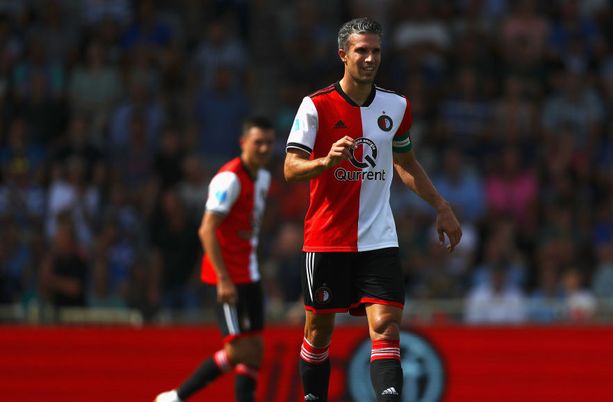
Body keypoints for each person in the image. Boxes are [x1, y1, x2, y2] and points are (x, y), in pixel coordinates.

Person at [283, 17, 462, 402]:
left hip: (379, 238)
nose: (370, 58)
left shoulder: (395, 106)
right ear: (342, 55)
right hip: (327, 238)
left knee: (386, 328)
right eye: (361, 51)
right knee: (318, 333)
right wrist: (325, 163)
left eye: (376, 50)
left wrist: (441, 206)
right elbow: (290, 168)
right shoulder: (315, 106)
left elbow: (406, 164)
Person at [154, 117, 275, 402]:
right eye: (258, 142)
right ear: (243, 143)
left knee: (255, 351)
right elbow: (206, 228)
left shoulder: (264, 178)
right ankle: (176, 396)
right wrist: (223, 279)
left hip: (250, 273)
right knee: (238, 351)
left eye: (269, 142)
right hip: (227, 278)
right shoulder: (229, 179)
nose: (264, 148)